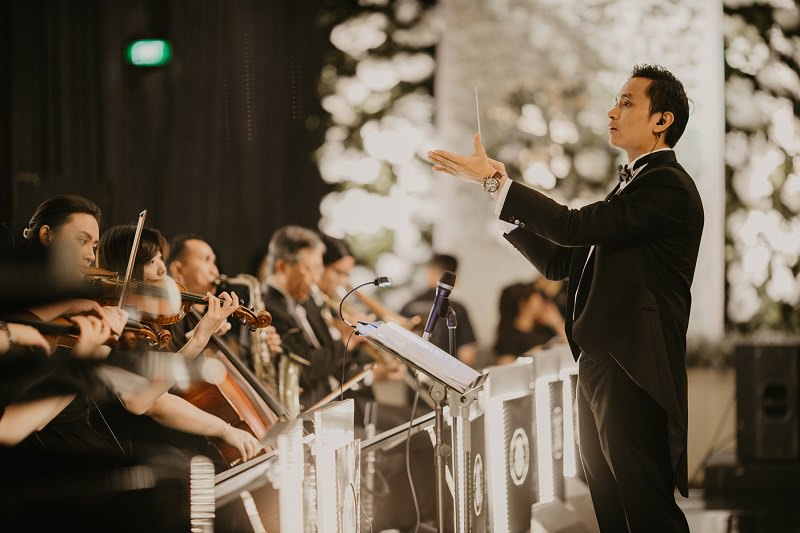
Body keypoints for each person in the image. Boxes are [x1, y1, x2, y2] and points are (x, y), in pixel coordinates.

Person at [428, 64, 703, 532]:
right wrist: (494, 187)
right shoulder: (631, 186)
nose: (612, 111)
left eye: (627, 102)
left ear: (663, 120)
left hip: (632, 364)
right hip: (602, 361)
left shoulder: (667, 186)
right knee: (611, 503)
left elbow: (576, 227)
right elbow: (562, 261)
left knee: (646, 507)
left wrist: (502, 184)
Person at [97, 225, 261, 462]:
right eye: (151, 262)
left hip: (178, 447)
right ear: (126, 270)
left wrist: (201, 337)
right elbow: (149, 400)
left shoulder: (155, 322)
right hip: (152, 456)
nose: (162, 269)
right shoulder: (122, 327)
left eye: (160, 259)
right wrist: (199, 338)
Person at [261, 226, 344, 409]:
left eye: (318, 270)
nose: (315, 279)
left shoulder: (308, 301)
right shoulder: (265, 309)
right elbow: (305, 367)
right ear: (282, 267)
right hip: (306, 409)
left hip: (332, 401)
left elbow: (331, 350)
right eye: (310, 269)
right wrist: (342, 343)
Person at [400, 254, 478, 367]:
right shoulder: (458, 309)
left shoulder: (408, 306)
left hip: (414, 380)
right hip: (446, 380)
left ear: (429, 272)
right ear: (453, 278)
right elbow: (467, 355)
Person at [493, 281, 565, 364]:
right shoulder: (509, 336)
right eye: (535, 296)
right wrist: (530, 356)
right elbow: (504, 364)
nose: (541, 301)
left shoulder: (545, 327)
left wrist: (557, 322)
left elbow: (571, 347)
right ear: (523, 304)